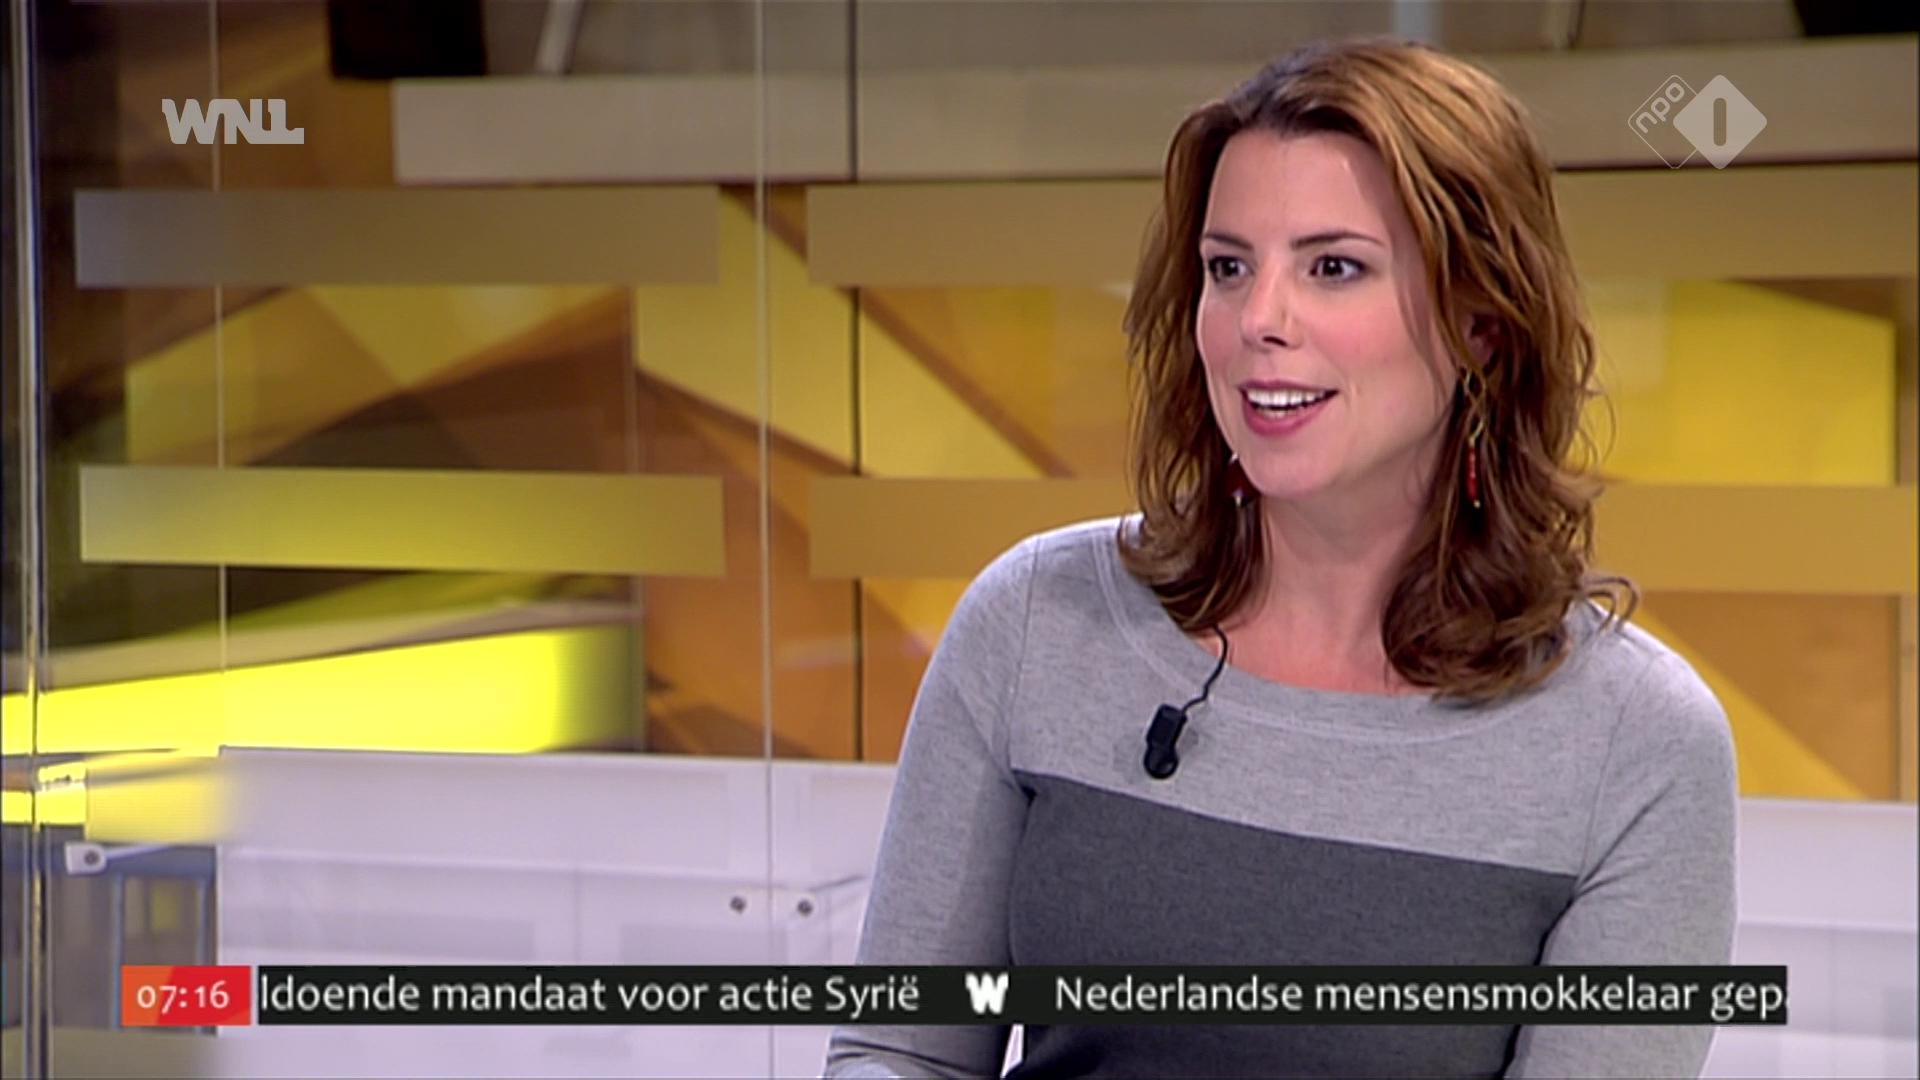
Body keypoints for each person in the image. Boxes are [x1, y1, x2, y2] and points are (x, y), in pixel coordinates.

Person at [824, 36, 1737, 1080]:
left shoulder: (1634, 744)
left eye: (1333, 267)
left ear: (1482, 322)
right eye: (1228, 268)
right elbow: (900, 1050)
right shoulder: (1035, 621)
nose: (1259, 320)